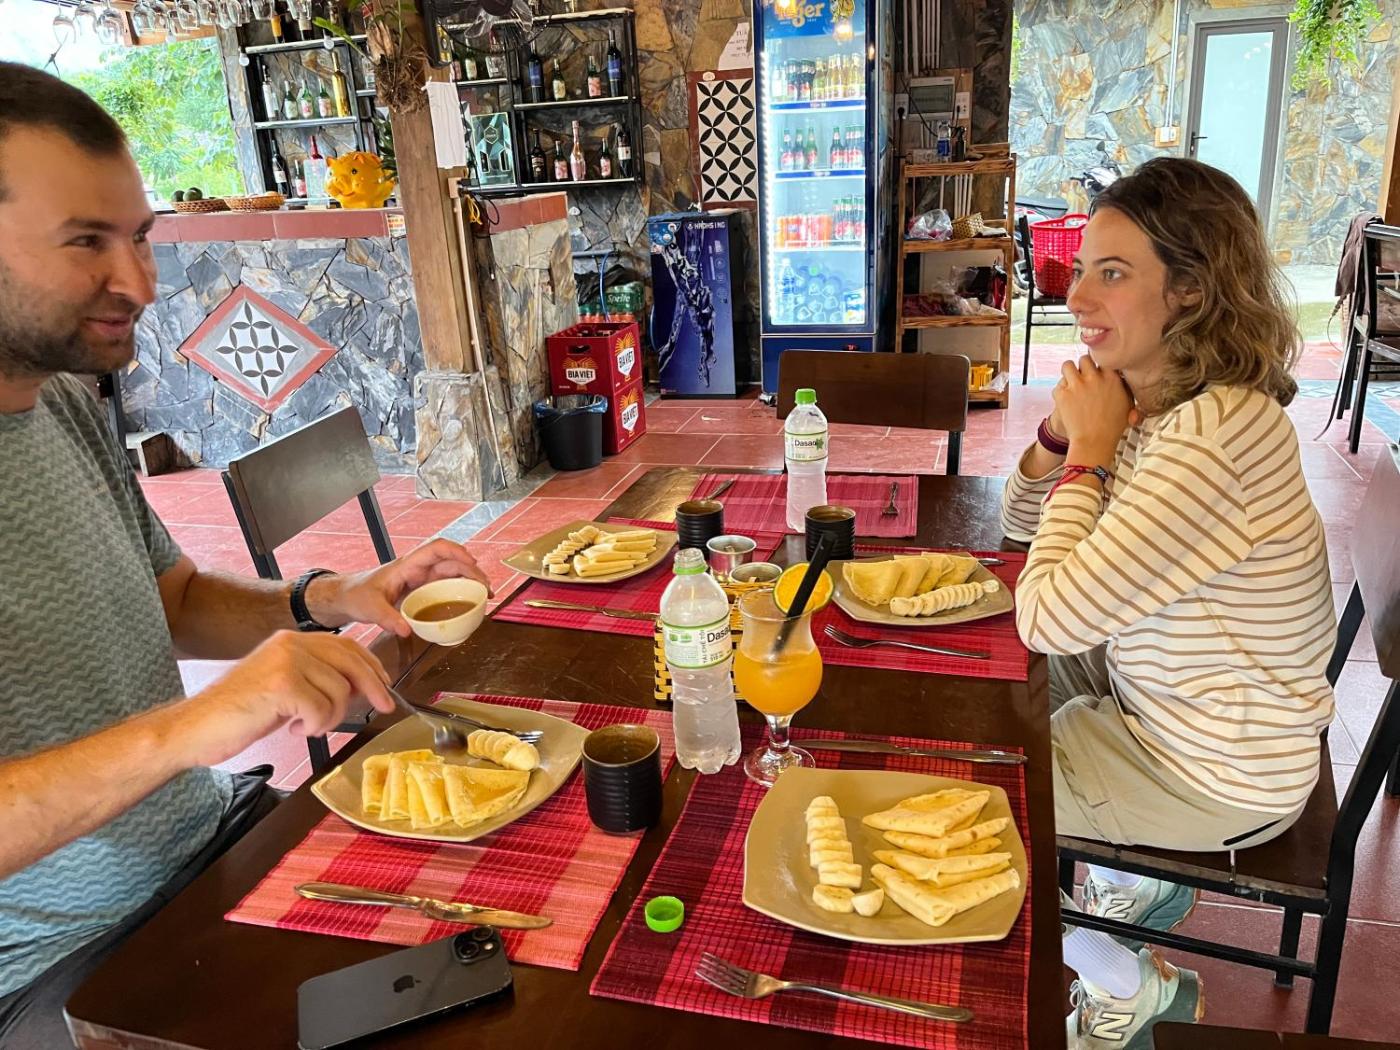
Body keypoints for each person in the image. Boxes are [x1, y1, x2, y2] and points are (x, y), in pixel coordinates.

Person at [0, 63, 490, 1047]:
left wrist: (334, 595)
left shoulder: (61, 407)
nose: (140, 284)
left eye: (140, 237)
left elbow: (174, 597)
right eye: (86, 241)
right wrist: (194, 726)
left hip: (213, 839)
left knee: (497, 938)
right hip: (64, 965)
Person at [1001, 158, 1334, 1047]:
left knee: (982, 798)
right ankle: (1127, 884)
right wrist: (1060, 437)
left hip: (1217, 767)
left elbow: (1048, 614)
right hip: (1172, 697)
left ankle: (1128, 982)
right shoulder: (1166, 404)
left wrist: (1088, 458)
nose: (1076, 297)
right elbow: (1018, 525)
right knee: (990, 690)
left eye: (1112, 273)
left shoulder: (1214, 438)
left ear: (1191, 289)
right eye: (1081, 269)